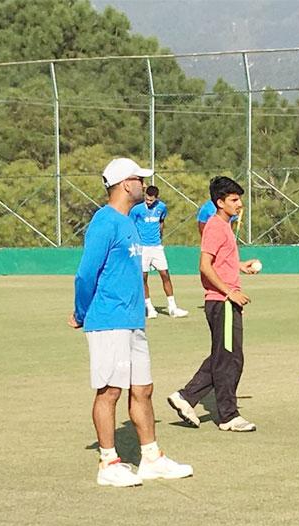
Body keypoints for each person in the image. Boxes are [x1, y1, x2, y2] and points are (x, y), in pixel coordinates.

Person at [69, 157, 193, 487]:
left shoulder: (129, 223)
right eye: (139, 179)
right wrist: (81, 313)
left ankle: (151, 458)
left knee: (143, 389)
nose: (143, 184)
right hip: (108, 320)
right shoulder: (104, 222)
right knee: (109, 390)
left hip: (133, 321)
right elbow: (85, 275)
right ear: (126, 184)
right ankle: (108, 462)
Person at [168, 176, 260, 432]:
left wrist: (240, 267)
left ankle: (186, 397)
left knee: (225, 356)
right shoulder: (215, 226)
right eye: (233, 200)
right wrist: (230, 291)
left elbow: (220, 262)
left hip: (224, 301)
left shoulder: (225, 226)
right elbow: (204, 266)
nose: (239, 204)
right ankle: (228, 416)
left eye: (239, 199)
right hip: (222, 302)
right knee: (230, 360)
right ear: (219, 202)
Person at [129, 185, 189, 319]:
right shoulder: (137, 210)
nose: (148, 202)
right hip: (142, 247)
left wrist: (160, 237)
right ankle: (149, 307)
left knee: (165, 275)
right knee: (143, 277)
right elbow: (131, 226)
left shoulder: (162, 207)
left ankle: (172, 308)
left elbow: (162, 221)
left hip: (156, 246)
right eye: (147, 199)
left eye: (151, 200)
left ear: (156, 198)